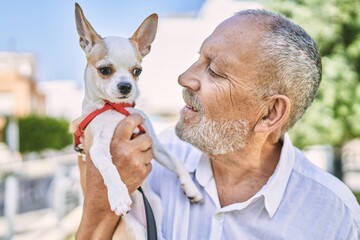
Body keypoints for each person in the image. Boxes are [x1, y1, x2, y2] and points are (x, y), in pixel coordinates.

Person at [76, 9, 360, 240]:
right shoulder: (143, 158)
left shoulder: (335, 218)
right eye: (197, 59)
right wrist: (101, 198)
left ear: (270, 113)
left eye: (214, 70)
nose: (185, 77)